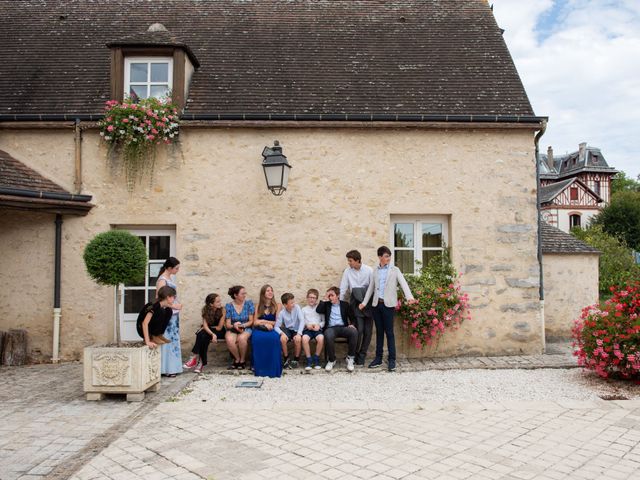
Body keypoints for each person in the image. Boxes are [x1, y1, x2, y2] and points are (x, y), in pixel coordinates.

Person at [360, 246, 418, 371]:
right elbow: (371, 287)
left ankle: (392, 360)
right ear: (380, 257)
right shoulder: (375, 271)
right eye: (386, 256)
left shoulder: (394, 270)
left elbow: (403, 283)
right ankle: (378, 359)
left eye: (389, 256)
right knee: (379, 333)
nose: (389, 258)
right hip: (377, 305)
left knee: (389, 333)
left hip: (388, 305)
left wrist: (409, 297)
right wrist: (364, 302)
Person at [339, 250, 373, 366]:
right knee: (359, 330)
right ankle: (354, 354)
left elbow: (373, 287)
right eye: (348, 261)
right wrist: (340, 304)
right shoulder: (347, 272)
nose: (349, 263)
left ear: (357, 260)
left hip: (368, 302)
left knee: (368, 332)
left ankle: (362, 356)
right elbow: (343, 289)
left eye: (350, 261)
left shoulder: (369, 270)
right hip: (355, 302)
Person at [315, 286, 358, 372]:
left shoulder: (345, 305)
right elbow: (318, 310)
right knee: (328, 334)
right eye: (329, 295)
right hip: (331, 328)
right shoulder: (326, 304)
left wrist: (352, 324)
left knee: (353, 332)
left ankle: (350, 358)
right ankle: (331, 360)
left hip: (343, 327)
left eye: (332, 295)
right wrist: (324, 299)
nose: (330, 297)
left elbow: (353, 317)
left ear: (337, 295)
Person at [183, 293, 226, 374]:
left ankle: (194, 358)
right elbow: (205, 326)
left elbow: (219, 327)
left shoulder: (223, 310)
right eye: (217, 302)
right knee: (203, 336)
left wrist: (207, 329)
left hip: (220, 332)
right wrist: (212, 334)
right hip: (210, 332)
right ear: (211, 304)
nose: (220, 303)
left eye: (220, 301)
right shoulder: (205, 310)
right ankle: (200, 362)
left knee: (201, 334)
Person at [156, 257, 183, 377]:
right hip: (167, 313)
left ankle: (173, 367)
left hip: (173, 314)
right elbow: (160, 298)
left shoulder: (169, 278)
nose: (178, 270)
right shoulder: (162, 280)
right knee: (167, 338)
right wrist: (174, 306)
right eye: (176, 268)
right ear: (169, 268)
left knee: (173, 339)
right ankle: (167, 368)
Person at [251, 285, 282, 378]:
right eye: (267, 291)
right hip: (260, 329)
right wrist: (265, 324)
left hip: (272, 329)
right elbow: (255, 322)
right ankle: (260, 368)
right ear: (263, 293)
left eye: (271, 290)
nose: (270, 292)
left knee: (274, 339)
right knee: (257, 339)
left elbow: (277, 322)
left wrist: (263, 321)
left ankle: (273, 368)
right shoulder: (258, 305)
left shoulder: (277, 305)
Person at [224, 285, 254, 370]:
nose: (244, 295)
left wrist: (242, 326)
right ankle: (237, 359)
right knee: (229, 340)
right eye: (242, 293)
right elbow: (228, 324)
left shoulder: (249, 304)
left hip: (246, 327)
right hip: (233, 328)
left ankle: (242, 360)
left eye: (245, 293)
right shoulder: (229, 306)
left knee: (241, 339)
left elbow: (251, 321)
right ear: (235, 295)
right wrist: (234, 326)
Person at [275, 292, 304, 369]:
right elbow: (276, 327)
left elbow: (302, 320)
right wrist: (282, 333)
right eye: (291, 303)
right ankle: (286, 358)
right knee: (282, 339)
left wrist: (299, 334)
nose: (293, 304)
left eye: (293, 302)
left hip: (296, 329)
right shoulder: (282, 313)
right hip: (287, 329)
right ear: (285, 305)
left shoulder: (297, 308)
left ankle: (296, 359)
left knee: (298, 339)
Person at [301, 288, 325, 370]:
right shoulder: (304, 309)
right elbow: (302, 321)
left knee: (321, 338)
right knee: (304, 338)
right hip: (308, 330)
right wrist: (307, 325)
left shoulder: (319, 308)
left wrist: (319, 325)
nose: (312, 299)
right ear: (307, 298)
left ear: (316, 299)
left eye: (314, 298)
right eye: (310, 297)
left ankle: (316, 358)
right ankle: (309, 359)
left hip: (317, 329)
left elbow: (324, 321)